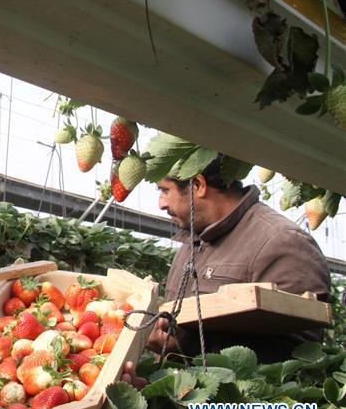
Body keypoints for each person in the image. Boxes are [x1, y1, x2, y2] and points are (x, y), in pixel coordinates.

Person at [122, 158, 331, 384]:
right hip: (183, 404)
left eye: (164, 190)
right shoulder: (194, 241)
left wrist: (186, 347)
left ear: (198, 185)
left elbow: (299, 358)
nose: (161, 203)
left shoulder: (281, 241)